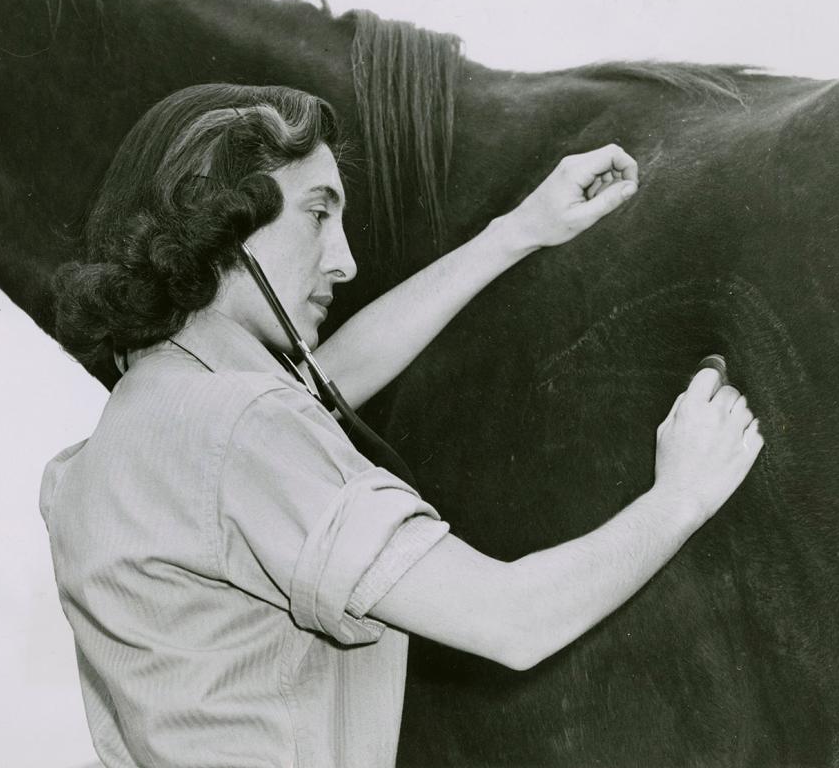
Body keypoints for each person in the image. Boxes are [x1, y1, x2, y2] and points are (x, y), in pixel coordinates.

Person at [40, 83, 762, 768]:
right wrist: (681, 495)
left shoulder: (135, 429)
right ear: (220, 224)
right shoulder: (242, 428)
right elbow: (511, 620)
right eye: (318, 213)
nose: (345, 260)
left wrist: (518, 231)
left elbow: (332, 376)